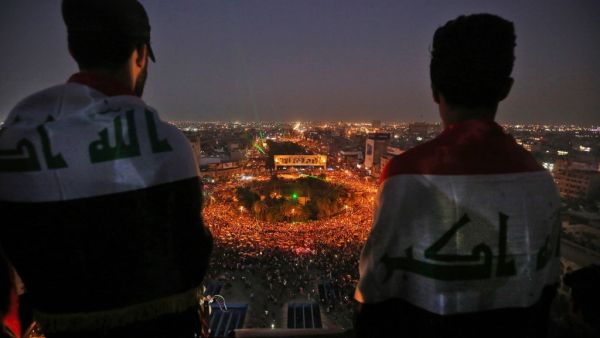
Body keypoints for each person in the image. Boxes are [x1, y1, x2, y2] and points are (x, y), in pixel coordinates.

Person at [0, 1, 212, 337]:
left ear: (73, 47)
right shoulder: (168, 145)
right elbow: (192, 257)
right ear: (140, 56)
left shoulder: (17, 138)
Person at [354, 14, 561, 338]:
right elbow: (546, 291)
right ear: (505, 90)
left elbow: (376, 294)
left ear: (435, 90)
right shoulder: (541, 182)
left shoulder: (408, 175)